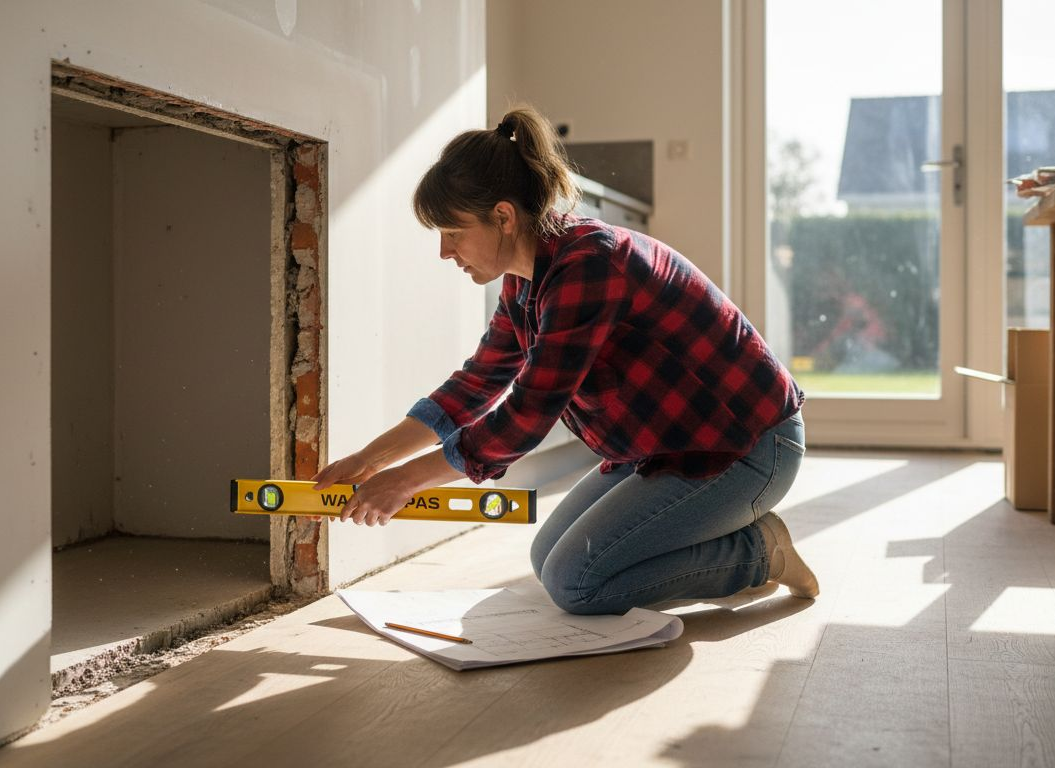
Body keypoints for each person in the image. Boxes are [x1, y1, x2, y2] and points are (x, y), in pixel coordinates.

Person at [311, 106, 818, 615]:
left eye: (454, 232)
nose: (445, 251)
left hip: (747, 446)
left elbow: (528, 413)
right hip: (667, 446)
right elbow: (476, 383)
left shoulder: (589, 264)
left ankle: (758, 553)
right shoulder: (525, 280)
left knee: (577, 583)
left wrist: (404, 481)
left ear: (503, 217)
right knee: (548, 558)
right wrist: (368, 462)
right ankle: (720, 540)